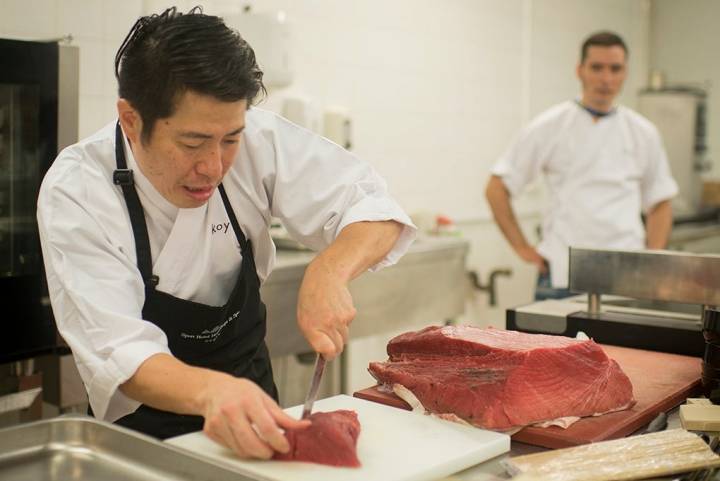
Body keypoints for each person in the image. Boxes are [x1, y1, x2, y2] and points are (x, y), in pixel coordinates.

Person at [37, 7, 415, 459]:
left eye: (230, 140)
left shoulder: (259, 138)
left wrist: (329, 270)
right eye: (192, 144)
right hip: (145, 436)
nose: (213, 167)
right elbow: (119, 353)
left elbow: (376, 210)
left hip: (251, 399)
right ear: (131, 120)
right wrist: (212, 392)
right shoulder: (79, 188)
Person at [485, 31, 678, 300]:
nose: (606, 78)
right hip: (562, 275)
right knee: (552, 343)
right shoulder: (549, 126)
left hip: (627, 276)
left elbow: (660, 202)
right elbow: (496, 189)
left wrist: (652, 260)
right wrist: (522, 248)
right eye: (597, 67)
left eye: (615, 69)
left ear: (625, 73)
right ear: (580, 70)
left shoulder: (643, 132)